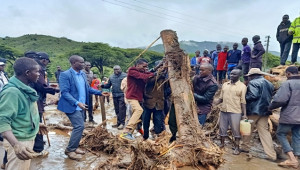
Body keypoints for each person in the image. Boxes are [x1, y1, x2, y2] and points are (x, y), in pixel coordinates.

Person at [0, 57, 48, 170]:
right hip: (19, 139)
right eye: (36, 71)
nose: (38, 74)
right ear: (27, 73)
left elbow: (23, 112)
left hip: (26, 136)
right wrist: (16, 145)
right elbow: (2, 120)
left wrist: (37, 123)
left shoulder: (24, 88)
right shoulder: (12, 92)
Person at [57, 55, 102, 160]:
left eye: (83, 62)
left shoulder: (82, 74)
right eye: (81, 62)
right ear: (73, 63)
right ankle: (70, 150)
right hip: (72, 105)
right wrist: (77, 103)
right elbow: (64, 92)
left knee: (80, 127)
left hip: (82, 105)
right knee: (79, 126)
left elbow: (87, 89)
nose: (83, 64)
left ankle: (74, 147)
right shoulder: (65, 75)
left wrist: (100, 93)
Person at [241, 68, 277, 161]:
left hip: (253, 110)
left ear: (252, 76)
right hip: (265, 110)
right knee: (264, 132)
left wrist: (243, 98)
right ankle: (271, 155)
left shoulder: (253, 83)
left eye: (249, 76)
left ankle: (245, 147)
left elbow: (253, 95)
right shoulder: (269, 83)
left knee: (247, 129)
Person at [269, 66, 300, 169]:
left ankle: (291, 159)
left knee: (281, 133)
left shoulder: (288, 84)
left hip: (289, 115)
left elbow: (280, 100)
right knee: (297, 135)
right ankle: (296, 159)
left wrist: (270, 107)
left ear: (288, 74)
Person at [31, 52, 59, 156]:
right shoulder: (38, 68)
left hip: (35, 98)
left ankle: (34, 144)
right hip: (35, 100)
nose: (47, 64)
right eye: (47, 62)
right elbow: (41, 85)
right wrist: (55, 90)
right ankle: (38, 149)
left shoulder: (33, 66)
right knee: (37, 122)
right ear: (44, 60)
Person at [120, 59, 154, 141]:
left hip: (138, 97)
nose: (145, 68)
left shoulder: (142, 72)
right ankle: (126, 131)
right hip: (132, 96)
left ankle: (128, 134)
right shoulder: (132, 71)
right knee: (139, 110)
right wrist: (153, 73)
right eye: (144, 66)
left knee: (135, 116)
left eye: (146, 66)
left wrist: (152, 72)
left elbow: (147, 76)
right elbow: (143, 76)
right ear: (138, 65)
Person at [215, 69, 247, 155]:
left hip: (235, 111)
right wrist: (214, 104)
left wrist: (244, 114)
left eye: (234, 74)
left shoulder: (242, 87)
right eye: (231, 73)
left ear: (239, 76)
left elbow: (243, 101)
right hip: (224, 110)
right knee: (222, 128)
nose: (231, 75)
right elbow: (221, 98)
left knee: (236, 130)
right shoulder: (225, 84)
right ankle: (222, 144)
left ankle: (237, 147)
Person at [143, 61, 166, 140]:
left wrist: (164, 95)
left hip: (159, 103)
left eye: (162, 67)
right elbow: (150, 82)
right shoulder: (149, 75)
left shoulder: (166, 76)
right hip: (148, 102)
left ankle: (157, 136)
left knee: (158, 121)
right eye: (159, 67)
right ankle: (145, 136)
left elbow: (168, 88)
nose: (161, 68)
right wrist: (159, 74)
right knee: (146, 120)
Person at [101, 65, 127, 129]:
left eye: (117, 69)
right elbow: (108, 85)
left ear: (120, 69)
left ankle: (122, 123)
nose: (116, 71)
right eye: (115, 69)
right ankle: (118, 123)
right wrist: (102, 86)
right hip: (115, 95)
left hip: (122, 95)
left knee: (122, 109)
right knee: (117, 109)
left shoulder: (125, 76)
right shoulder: (111, 76)